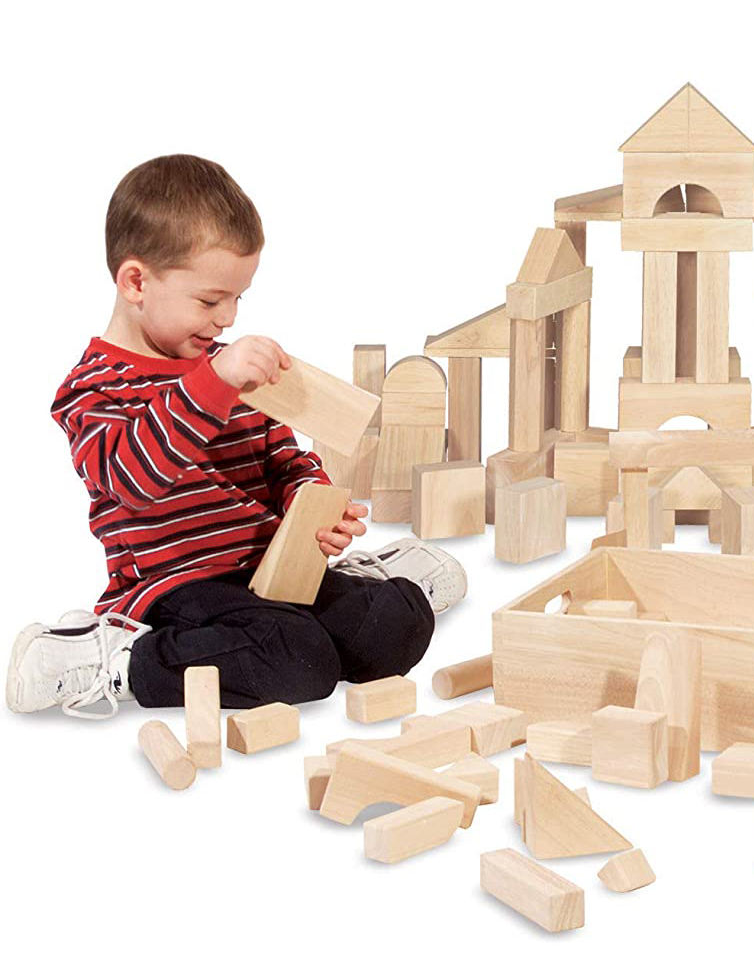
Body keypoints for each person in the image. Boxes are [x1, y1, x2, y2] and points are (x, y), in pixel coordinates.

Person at [7, 153, 465, 718]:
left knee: (393, 627)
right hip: (178, 587)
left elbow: (283, 458)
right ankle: (119, 662)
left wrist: (311, 503)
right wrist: (213, 383)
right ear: (136, 282)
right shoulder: (95, 387)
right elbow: (131, 480)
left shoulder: (230, 368)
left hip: (272, 569)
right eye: (209, 300)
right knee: (298, 662)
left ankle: (361, 585)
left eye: (237, 298)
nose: (227, 319)